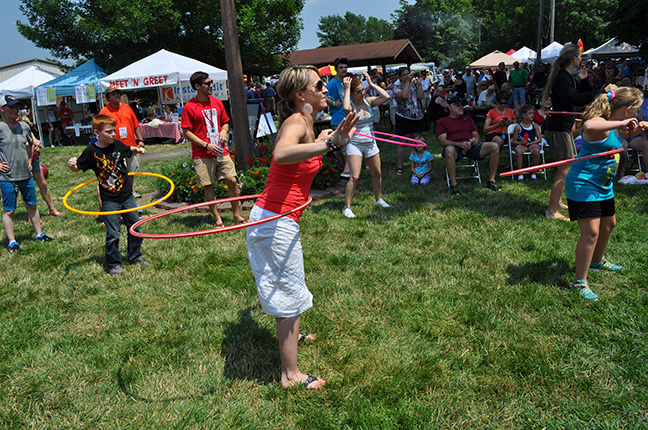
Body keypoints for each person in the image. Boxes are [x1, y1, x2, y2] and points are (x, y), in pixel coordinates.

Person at [246, 65, 358, 389]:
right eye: (319, 85)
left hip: (280, 219)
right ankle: (290, 375)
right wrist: (329, 145)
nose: (326, 89)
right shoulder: (295, 122)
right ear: (300, 95)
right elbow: (281, 154)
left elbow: (304, 154)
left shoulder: (307, 121)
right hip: (274, 221)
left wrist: (327, 139)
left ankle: (294, 331)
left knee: (290, 284)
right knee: (287, 294)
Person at [565, 87, 645, 300]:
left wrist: (636, 129)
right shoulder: (600, 124)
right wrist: (622, 124)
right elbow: (589, 125)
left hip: (603, 185)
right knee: (591, 232)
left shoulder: (616, 126)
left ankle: (596, 262)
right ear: (627, 111)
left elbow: (622, 135)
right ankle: (579, 283)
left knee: (609, 225)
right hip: (584, 184)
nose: (637, 115)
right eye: (636, 112)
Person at [67, 115, 148, 275]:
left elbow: (128, 149)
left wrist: (137, 149)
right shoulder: (91, 151)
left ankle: (135, 255)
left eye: (114, 130)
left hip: (127, 195)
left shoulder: (117, 145)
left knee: (135, 227)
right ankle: (114, 264)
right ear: (97, 132)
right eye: (109, 131)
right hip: (109, 199)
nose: (113, 134)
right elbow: (77, 167)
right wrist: (71, 165)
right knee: (113, 233)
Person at [543, 43, 606, 221]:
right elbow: (575, 98)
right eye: (580, 57)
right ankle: (551, 211)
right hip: (558, 128)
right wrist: (598, 95)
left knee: (566, 167)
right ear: (574, 59)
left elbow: (581, 95)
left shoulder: (568, 76)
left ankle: (558, 202)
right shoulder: (563, 78)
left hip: (562, 126)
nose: (581, 60)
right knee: (564, 169)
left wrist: (584, 79)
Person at [181, 71, 247, 227]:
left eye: (211, 82)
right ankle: (218, 218)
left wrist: (224, 131)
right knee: (209, 185)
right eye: (208, 83)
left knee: (232, 180)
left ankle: (236, 214)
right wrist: (205, 144)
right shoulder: (189, 107)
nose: (212, 85)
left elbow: (225, 122)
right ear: (197, 86)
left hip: (221, 150)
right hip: (201, 153)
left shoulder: (217, 103)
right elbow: (186, 132)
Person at [1, 94, 55, 252]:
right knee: (9, 210)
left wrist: (30, 159)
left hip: (25, 174)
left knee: (32, 205)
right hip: (7, 177)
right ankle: (12, 242)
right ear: (2, 109)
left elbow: (32, 143)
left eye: (17, 107)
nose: (16, 110)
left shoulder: (24, 126)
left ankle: (39, 234)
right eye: (12, 107)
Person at [340, 73, 391, 218]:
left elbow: (386, 97)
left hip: (370, 143)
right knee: (354, 176)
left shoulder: (369, 101)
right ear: (352, 94)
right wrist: (347, 89)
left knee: (377, 173)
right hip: (355, 143)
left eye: (363, 90)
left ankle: (378, 199)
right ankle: (346, 207)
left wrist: (371, 83)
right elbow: (345, 108)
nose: (362, 93)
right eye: (359, 91)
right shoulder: (351, 106)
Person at [437, 95, 501, 195]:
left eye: (462, 105)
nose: (461, 107)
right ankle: (454, 184)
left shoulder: (468, 118)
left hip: (471, 146)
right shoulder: (443, 121)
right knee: (449, 149)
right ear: (450, 107)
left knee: (495, 146)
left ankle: (491, 181)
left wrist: (475, 140)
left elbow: (476, 135)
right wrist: (459, 144)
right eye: (458, 105)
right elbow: (443, 141)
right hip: (455, 148)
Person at [99, 86, 145, 195]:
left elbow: (136, 125)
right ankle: (120, 191)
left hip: (131, 145)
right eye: (113, 94)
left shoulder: (127, 108)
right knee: (118, 171)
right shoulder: (104, 112)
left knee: (131, 170)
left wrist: (140, 140)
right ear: (107, 97)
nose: (117, 96)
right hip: (114, 148)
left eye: (118, 93)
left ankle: (129, 191)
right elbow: (101, 131)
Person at [393, 66, 427, 175]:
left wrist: (420, 84)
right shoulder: (396, 87)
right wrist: (407, 82)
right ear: (400, 77)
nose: (407, 76)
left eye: (408, 73)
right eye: (404, 74)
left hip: (417, 116)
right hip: (403, 116)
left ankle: (419, 163)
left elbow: (421, 97)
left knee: (417, 141)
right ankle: (400, 167)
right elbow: (403, 96)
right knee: (403, 142)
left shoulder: (414, 85)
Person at [325, 57, 350, 177]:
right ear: (336, 70)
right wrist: (334, 103)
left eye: (345, 67)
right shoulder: (332, 83)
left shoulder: (348, 81)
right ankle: (343, 170)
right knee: (339, 147)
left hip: (350, 117)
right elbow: (324, 96)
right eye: (341, 68)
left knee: (351, 145)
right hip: (338, 118)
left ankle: (349, 169)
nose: (344, 69)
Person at [30, 135, 62, 216]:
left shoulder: (26, 127)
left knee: (43, 184)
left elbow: (35, 141)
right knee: (27, 187)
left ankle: (51, 209)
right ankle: (31, 214)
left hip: (34, 159)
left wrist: (38, 145)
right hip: (22, 161)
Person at [511, 105, 543, 181]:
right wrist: (520, 142)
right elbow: (514, 141)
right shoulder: (518, 127)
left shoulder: (535, 126)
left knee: (536, 150)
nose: (532, 115)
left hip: (532, 143)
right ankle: (520, 173)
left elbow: (539, 139)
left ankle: (534, 173)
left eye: (532, 113)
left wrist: (532, 142)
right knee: (518, 151)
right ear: (523, 115)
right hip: (522, 145)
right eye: (530, 113)